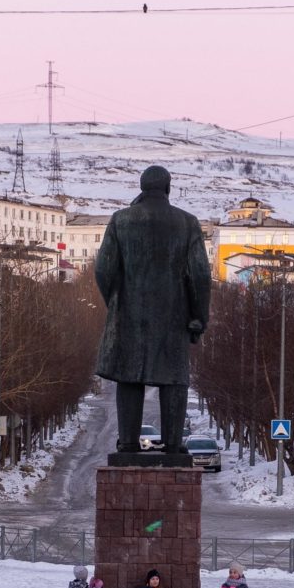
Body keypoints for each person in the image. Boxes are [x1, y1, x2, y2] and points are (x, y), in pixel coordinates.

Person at [94, 165, 212, 457]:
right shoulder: (187, 223)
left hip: (129, 315)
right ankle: (173, 445)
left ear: (142, 188)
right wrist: (198, 316)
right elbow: (199, 274)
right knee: (174, 378)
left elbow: (103, 269)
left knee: (129, 376)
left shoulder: (121, 219)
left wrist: (116, 302)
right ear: (168, 188)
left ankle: (128, 444)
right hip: (174, 315)